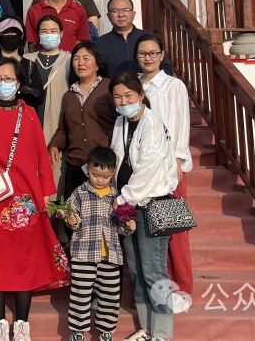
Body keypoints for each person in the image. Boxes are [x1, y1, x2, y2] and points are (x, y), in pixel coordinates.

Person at [0, 57, 69, 341]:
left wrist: (46, 193)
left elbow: (41, 158)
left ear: (19, 83)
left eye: (9, 79)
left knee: (25, 260)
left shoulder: (30, 114)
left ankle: (22, 324)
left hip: (26, 200)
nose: (3, 84)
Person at [109, 72, 178, 341]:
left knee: (153, 270)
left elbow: (147, 171)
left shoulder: (153, 123)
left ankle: (162, 332)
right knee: (136, 269)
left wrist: (121, 199)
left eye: (128, 95)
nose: (123, 101)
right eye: (117, 97)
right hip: (127, 205)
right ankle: (146, 327)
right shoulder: (121, 122)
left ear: (141, 95)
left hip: (151, 204)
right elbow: (118, 160)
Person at [135, 33, 192, 300]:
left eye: (153, 53)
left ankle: (182, 287)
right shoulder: (134, 85)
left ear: (162, 55)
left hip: (168, 167)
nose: (147, 58)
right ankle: (154, 287)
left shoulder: (172, 85)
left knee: (173, 229)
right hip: (141, 167)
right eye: (142, 53)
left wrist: (178, 160)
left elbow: (181, 124)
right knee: (146, 230)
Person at [61, 146, 124, 341]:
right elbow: (68, 213)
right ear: (87, 168)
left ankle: (106, 331)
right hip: (84, 255)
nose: (100, 180)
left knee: (110, 297)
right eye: (95, 175)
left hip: (110, 256)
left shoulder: (117, 198)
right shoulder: (80, 193)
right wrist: (71, 219)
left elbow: (123, 227)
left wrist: (128, 225)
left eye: (105, 176)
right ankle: (77, 331)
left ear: (113, 172)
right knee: (80, 295)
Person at [48, 43, 116, 199]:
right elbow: (63, 129)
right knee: (72, 212)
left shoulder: (108, 89)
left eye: (86, 58)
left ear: (97, 64)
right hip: (75, 167)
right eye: (76, 59)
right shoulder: (69, 96)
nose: (80, 63)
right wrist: (55, 144)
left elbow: (119, 124)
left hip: (103, 167)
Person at [24, 15, 71, 191]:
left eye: (53, 31)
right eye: (44, 31)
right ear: (37, 34)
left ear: (61, 33)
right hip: (29, 127)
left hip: (57, 127)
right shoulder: (26, 60)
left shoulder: (70, 60)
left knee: (55, 177)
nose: (49, 35)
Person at [95, 0, 175, 76]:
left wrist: (148, 81)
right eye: (115, 11)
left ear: (133, 14)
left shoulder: (151, 38)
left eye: (126, 10)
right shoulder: (99, 44)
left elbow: (166, 68)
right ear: (108, 16)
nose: (121, 15)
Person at [0, 19, 41, 110]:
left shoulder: (30, 65)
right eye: (5, 33)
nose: (10, 36)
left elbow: (39, 98)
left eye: (14, 33)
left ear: (21, 36)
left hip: (22, 116)